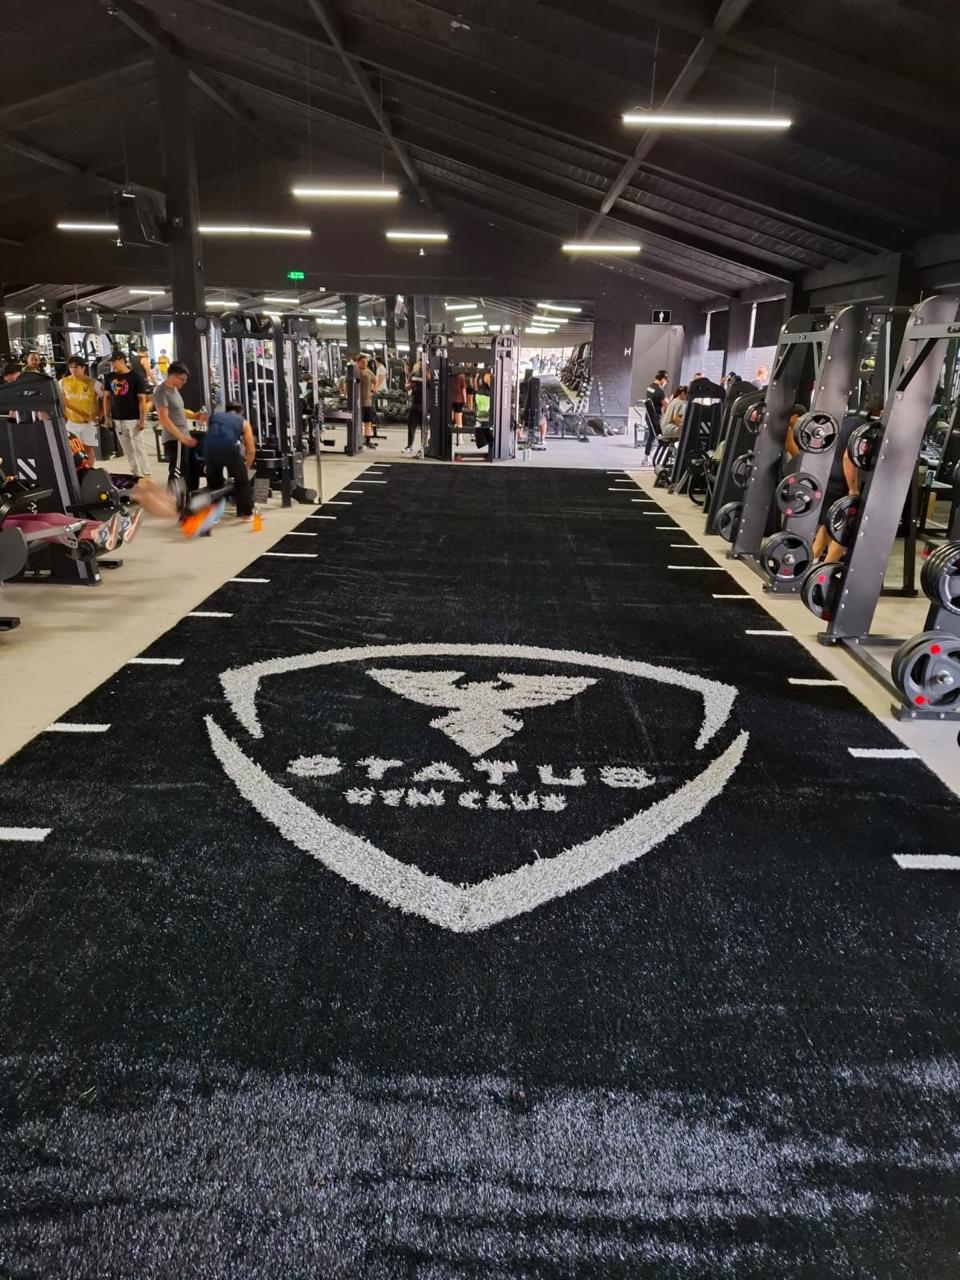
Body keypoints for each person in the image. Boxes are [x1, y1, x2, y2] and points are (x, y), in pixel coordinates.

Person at [811, 403, 877, 563]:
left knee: (829, 523)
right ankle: (825, 570)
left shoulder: (848, 421)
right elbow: (849, 458)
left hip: (827, 478)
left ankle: (811, 562)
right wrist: (853, 489)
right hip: (842, 483)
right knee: (845, 530)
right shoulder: (863, 429)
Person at [153, 361, 207, 487]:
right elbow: (163, 418)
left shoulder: (174, 390)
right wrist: (181, 437)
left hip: (183, 437)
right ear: (173, 376)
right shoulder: (162, 391)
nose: (184, 382)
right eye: (182, 379)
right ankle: (174, 498)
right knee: (177, 473)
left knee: (191, 471)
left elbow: (178, 411)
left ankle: (189, 495)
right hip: (175, 440)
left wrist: (194, 416)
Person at [103, 353, 152, 479]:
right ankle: (135, 474)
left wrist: (142, 419)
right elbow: (106, 397)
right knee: (128, 449)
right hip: (117, 418)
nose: (112, 365)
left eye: (114, 362)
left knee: (138, 447)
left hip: (133, 418)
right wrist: (107, 417)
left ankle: (146, 474)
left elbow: (142, 399)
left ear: (121, 360)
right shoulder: (109, 377)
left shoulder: (135, 376)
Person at [204, 401, 255, 520]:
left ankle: (214, 515)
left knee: (214, 483)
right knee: (242, 482)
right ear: (241, 412)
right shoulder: (243, 421)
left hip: (209, 449)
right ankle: (246, 514)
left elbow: (212, 434)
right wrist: (246, 468)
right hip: (228, 448)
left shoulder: (214, 417)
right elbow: (251, 450)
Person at [59, 356, 100, 465]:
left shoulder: (93, 383)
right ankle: (77, 470)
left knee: (88, 449)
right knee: (72, 449)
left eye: (76, 367)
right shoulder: (63, 382)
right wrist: (63, 418)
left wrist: (99, 414)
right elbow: (61, 402)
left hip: (88, 423)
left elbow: (106, 397)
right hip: (71, 422)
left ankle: (90, 470)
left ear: (83, 368)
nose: (73, 369)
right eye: (71, 367)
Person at [641, 369, 668, 464]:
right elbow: (667, 405)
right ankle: (647, 456)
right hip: (656, 417)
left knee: (652, 435)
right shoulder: (660, 391)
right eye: (666, 381)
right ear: (663, 379)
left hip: (649, 415)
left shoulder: (650, 388)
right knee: (655, 436)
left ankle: (648, 455)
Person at [354, 354, 377, 450]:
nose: (365, 364)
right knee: (358, 422)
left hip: (367, 401)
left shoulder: (368, 372)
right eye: (363, 362)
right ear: (358, 362)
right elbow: (347, 383)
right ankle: (358, 440)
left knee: (368, 422)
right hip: (357, 402)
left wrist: (373, 390)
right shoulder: (354, 372)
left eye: (366, 362)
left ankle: (367, 441)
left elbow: (375, 381)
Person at [402, 359, 424, 456]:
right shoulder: (414, 374)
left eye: (423, 364)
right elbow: (406, 387)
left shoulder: (430, 375)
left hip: (425, 405)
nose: (421, 366)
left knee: (424, 428)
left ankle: (423, 447)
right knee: (411, 426)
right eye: (420, 364)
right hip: (415, 403)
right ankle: (409, 446)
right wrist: (411, 385)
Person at [451, 368, 467, 437]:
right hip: (459, 400)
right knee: (459, 420)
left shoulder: (450, 375)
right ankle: (460, 437)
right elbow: (463, 389)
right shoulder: (462, 376)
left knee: (451, 418)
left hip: (450, 399)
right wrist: (465, 400)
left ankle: (450, 435)